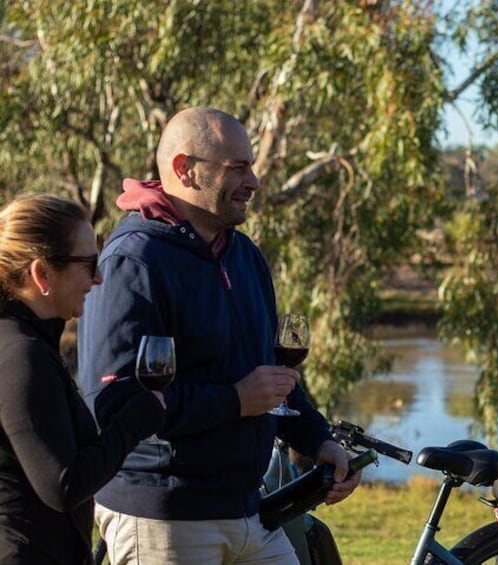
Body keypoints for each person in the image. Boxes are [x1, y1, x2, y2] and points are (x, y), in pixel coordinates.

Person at [77, 107, 360, 565]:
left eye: (251, 165)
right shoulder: (135, 261)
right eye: (238, 167)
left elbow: (272, 377)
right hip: (165, 517)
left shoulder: (244, 256)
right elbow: (113, 404)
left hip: (249, 511)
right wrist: (233, 400)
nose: (254, 181)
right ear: (184, 169)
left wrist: (318, 440)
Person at [0, 194, 166, 564]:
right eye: (88, 263)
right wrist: (133, 424)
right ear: (42, 274)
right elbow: (63, 483)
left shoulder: (24, 344)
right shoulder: (21, 356)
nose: (99, 276)